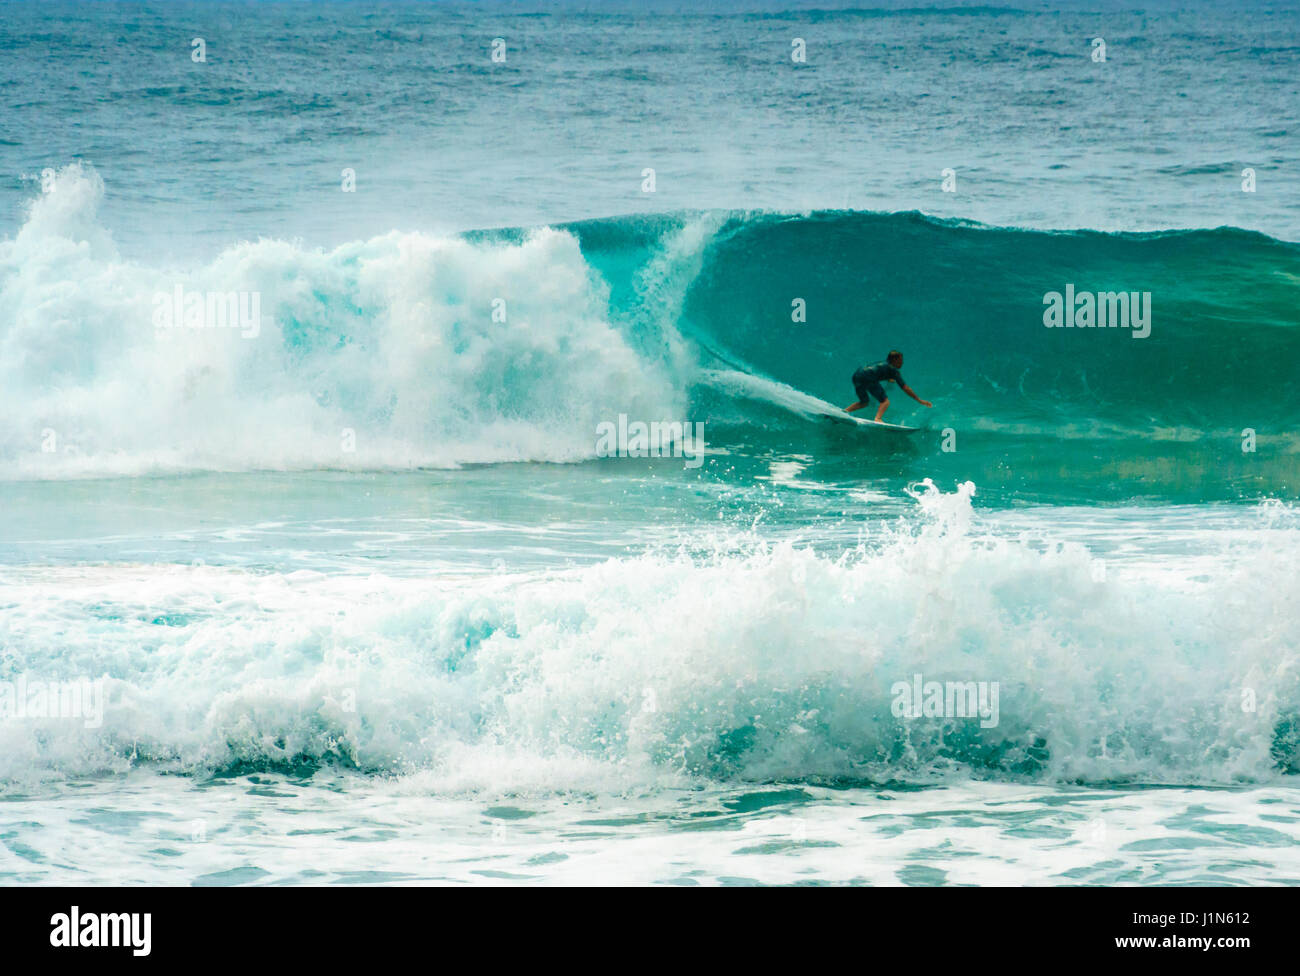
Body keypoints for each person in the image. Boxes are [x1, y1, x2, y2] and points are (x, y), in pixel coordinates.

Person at [845, 350, 932, 422]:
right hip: (868, 378)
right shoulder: (893, 370)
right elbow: (905, 388)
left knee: (864, 402)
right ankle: (878, 418)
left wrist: (889, 378)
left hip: (857, 376)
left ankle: (845, 411)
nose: (902, 363)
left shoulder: (883, 364)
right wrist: (919, 400)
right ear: (894, 360)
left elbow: (878, 371)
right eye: (900, 360)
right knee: (885, 402)